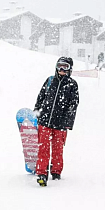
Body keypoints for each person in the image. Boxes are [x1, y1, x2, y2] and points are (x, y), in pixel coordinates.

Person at [33, 57, 79, 186]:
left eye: (65, 67)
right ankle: (42, 173)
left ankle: (56, 171)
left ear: (70, 69)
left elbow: (73, 105)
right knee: (43, 148)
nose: (62, 70)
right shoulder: (50, 81)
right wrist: (37, 111)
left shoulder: (72, 84)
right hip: (45, 120)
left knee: (58, 148)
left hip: (60, 123)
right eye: (60, 66)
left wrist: (68, 122)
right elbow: (41, 97)